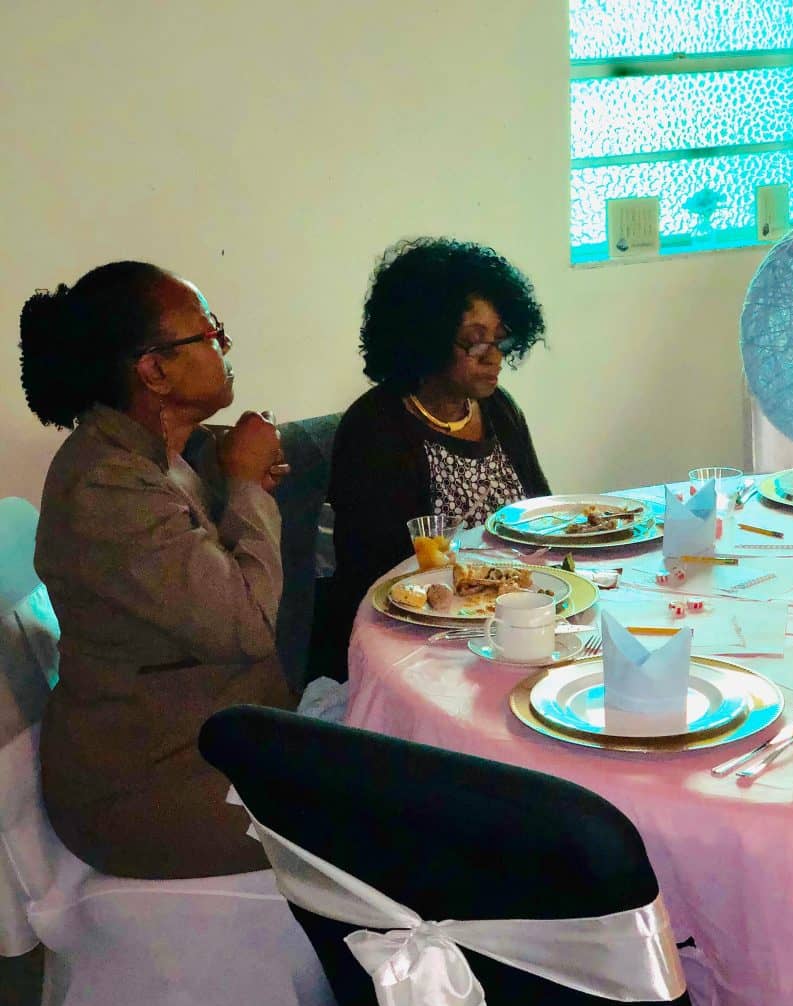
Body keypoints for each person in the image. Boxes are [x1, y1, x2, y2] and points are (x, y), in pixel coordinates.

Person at [19, 261, 294, 879]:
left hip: (208, 737)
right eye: (211, 332)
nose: (225, 345)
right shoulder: (105, 485)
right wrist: (248, 487)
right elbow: (248, 626)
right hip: (146, 786)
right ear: (155, 371)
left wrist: (232, 477)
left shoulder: (148, 454)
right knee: (388, 824)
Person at [324, 237, 551, 679]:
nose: (494, 357)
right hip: (419, 647)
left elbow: (538, 518)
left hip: (505, 624)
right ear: (425, 341)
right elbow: (386, 582)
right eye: (475, 343)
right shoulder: (375, 428)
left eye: (500, 339)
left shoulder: (499, 409)